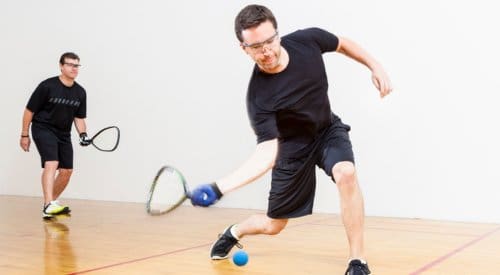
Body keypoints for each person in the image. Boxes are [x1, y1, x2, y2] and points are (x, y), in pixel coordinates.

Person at [190, 5, 392, 275]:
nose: (267, 51)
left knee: (346, 172)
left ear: (278, 34)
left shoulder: (308, 41)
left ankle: (358, 261)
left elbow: (342, 43)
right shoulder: (260, 97)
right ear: (244, 49)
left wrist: (375, 65)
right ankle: (234, 231)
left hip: (325, 131)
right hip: (291, 150)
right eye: (256, 47)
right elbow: (267, 153)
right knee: (274, 226)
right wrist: (220, 187)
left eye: (270, 40)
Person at [20, 52, 91, 219]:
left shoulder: (80, 92)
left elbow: (79, 118)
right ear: (61, 66)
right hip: (43, 128)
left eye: (76, 65)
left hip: (64, 133)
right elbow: (29, 110)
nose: (74, 68)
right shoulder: (47, 86)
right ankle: (48, 205)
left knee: (67, 171)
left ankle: (51, 203)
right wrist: (24, 134)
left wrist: (83, 134)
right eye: (70, 64)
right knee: (52, 162)